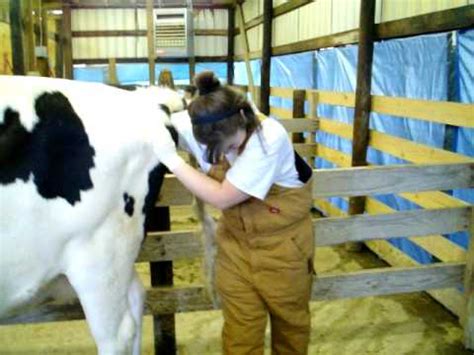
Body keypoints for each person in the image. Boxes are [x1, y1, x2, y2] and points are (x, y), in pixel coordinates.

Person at [158, 71, 315, 354]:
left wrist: (172, 160)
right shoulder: (199, 119)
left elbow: (223, 197)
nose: (220, 155)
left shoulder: (269, 138)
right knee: (239, 331)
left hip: (283, 252)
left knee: (291, 327)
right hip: (234, 248)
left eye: (228, 146)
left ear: (243, 121)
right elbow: (164, 122)